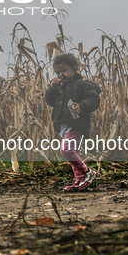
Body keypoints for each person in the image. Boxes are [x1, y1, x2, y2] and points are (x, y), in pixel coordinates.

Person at [45, 54, 101, 191]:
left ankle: (87, 173)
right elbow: (51, 101)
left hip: (76, 124)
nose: (60, 75)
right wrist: (52, 89)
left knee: (67, 149)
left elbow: (94, 99)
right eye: (57, 72)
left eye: (64, 70)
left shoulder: (82, 85)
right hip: (64, 126)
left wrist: (82, 106)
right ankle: (80, 179)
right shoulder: (60, 87)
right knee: (74, 152)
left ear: (75, 69)